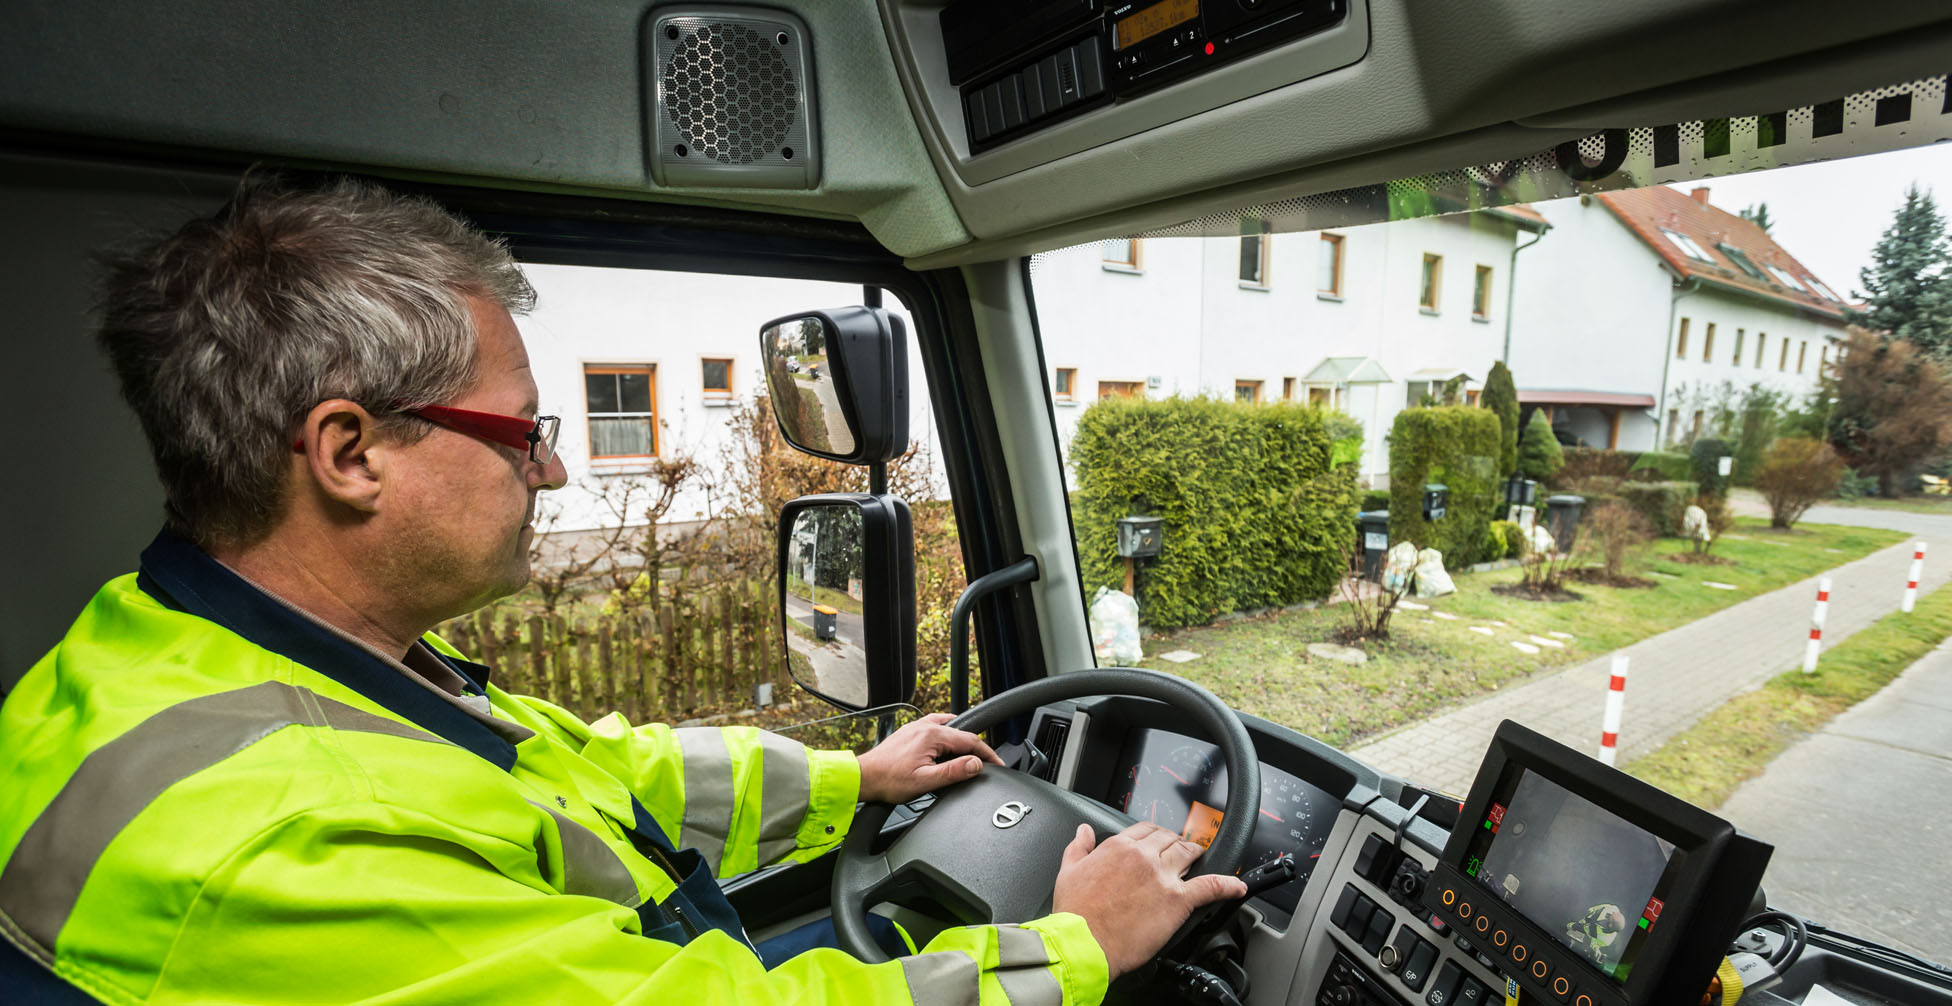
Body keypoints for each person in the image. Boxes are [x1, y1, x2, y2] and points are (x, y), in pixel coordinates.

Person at [0, 175, 1244, 1005]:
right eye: (519, 431)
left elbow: (582, 773)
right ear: (349, 453)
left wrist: (851, 778)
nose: (546, 465)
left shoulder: (176, 652)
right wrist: (1071, 944)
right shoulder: (293, 840)